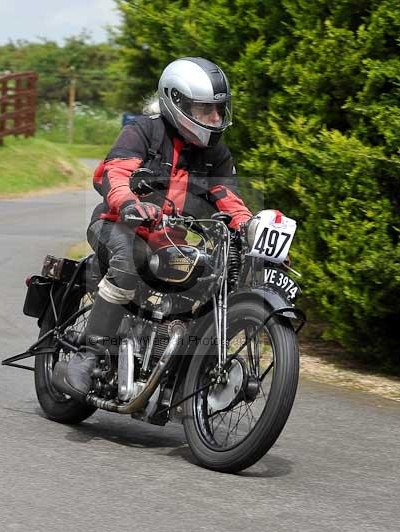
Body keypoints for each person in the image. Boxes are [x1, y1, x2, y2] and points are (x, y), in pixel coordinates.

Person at [53, 57, 253, 400]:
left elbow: (228, 197)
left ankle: (174, 363)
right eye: (206, 110)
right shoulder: (143, 130)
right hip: (116, 227)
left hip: (166, 241)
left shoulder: (216, 153)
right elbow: (113, 173)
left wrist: (251, 228)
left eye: (219, 110)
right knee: (128, 263)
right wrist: (130, 203)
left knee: (209, 279)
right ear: (177, 103)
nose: (216, 119)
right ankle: (89, 353)